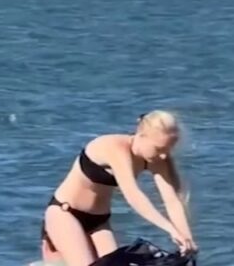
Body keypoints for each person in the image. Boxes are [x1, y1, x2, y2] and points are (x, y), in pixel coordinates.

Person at [39, 110, 197, 266]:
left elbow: (171, 200)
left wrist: (185, 238)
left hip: (99, 222)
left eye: (167, 150)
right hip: (66, 213)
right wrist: (169, 228)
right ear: (141, 135)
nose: (163, 156)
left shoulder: (156, 158)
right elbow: (133, 195)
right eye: (159, 149)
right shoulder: (116, 148)